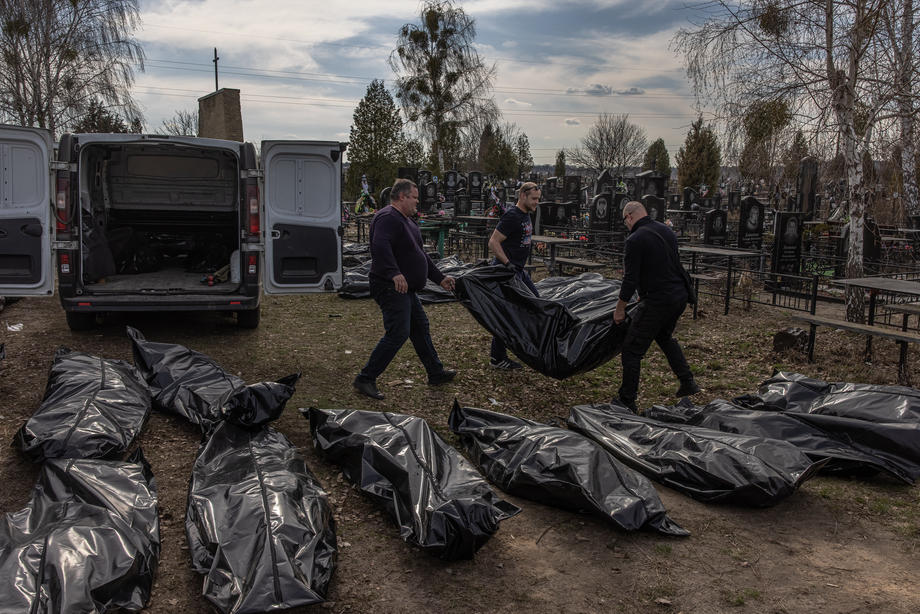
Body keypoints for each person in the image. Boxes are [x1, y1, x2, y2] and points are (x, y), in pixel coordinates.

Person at [353, 178, 457, 400]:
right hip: (389, 285)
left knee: (419, 327)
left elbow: (421, 256)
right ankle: (365, 378)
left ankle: (435, 372)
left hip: (405, 288)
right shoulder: (387, 217)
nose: (417, 203)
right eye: (414, 198)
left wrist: (440, 279)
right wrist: (394, 272)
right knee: (398, 332)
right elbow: (379, 246)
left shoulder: (408, 222)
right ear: (402, 196)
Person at [613, 201, 699, 411]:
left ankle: (627, 400)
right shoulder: (665, 230)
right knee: (664, 337)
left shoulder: (635, 239)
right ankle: (687, 380)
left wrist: (620, 308)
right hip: (679, 295)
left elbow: (630, 279)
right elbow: (662, 265)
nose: (626, 225)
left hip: (659, 300)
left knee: (632, 350)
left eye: (625, 221)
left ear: (630, 216)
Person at [486, 181, 541, 369]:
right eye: (534, 199)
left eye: (538, 199)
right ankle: (498, 358)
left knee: (535, 303)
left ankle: (531, 346)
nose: (536, 203)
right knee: (509, 315)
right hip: (506, 272)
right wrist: (507, 264)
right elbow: (493, 242)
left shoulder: (526, 215)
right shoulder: (512, 216)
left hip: (518, 270)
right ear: (523, 196)